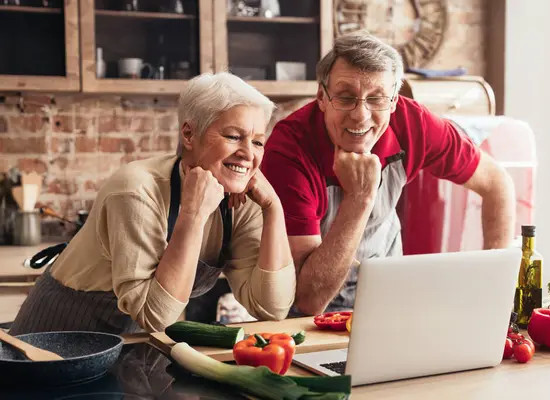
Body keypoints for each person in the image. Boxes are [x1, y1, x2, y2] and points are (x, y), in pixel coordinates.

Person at [10, 72, 296, 335]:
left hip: (134, 344)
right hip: (57, 336)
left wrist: (273, 208)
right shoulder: (135, 190)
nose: (248, 154)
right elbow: (155, 315)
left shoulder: (241, 200)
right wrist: (193, 214)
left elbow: (272, 308)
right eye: (234, 136)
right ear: (188, 134)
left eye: (258, 142)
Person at [261, 32, 516, 316]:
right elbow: (308, 299)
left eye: (377, 99)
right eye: (345, 98)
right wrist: (359, 198)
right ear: (322, 96)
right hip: (308, 315)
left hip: (388, 297)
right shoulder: (288, 151)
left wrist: (497, 293)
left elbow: (498, 183)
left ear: (394, 102)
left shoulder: (415, 125)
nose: (360, 115)